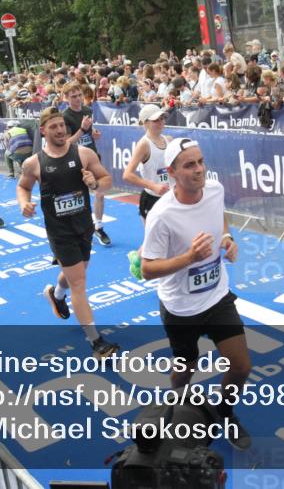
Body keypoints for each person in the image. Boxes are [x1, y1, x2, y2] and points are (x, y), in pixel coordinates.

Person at [140, 138, 252, 450]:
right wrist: (188, 258)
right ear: (172, 172)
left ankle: (225, 412)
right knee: (185, 368)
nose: (199, 169)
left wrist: (227, 237)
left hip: (217, 297)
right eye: (189, 165)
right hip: (181, 308)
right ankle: (172, 410)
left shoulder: (215, 189)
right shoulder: (161, 215)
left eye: (201, 161)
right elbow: (147, 269)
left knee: (241, 366)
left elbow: (220, 215)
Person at [16, 107, 119, 360]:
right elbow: (22, 187)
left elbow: (107, 180)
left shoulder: (83, 153)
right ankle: (96, 342)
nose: (60, 130)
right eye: (54, 127)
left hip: (83, 227)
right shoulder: (34, 163)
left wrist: (94, 183)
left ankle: (55, 294)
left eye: (62, 125)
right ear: (43, 131)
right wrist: (23, 204)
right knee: (79, 283)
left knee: (78, 272)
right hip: (59, 232)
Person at [123, 105, 172, 279]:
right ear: (146, 123)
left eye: (162, 118)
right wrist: (153, 186)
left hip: (169, 199)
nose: (161, 122)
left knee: (166, 240)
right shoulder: (144, 144)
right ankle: (139, 260)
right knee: (155, 243)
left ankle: (140, 257)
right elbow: (127, 174)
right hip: (151, 200)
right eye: (156, 120)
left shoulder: (168, 140)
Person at [61, 82, 111, 246]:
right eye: (73, 96)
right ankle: (78, 229)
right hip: (75, 159)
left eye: (79, 95)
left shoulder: (88, 111)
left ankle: (99, 226)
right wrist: (82, 130)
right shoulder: (65, 116)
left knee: (100, 191)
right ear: (66, 98)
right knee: (77, 195)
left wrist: (93, 132)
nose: (78, 99)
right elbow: (66, 142)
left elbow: (90, 132)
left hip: (92, 156)